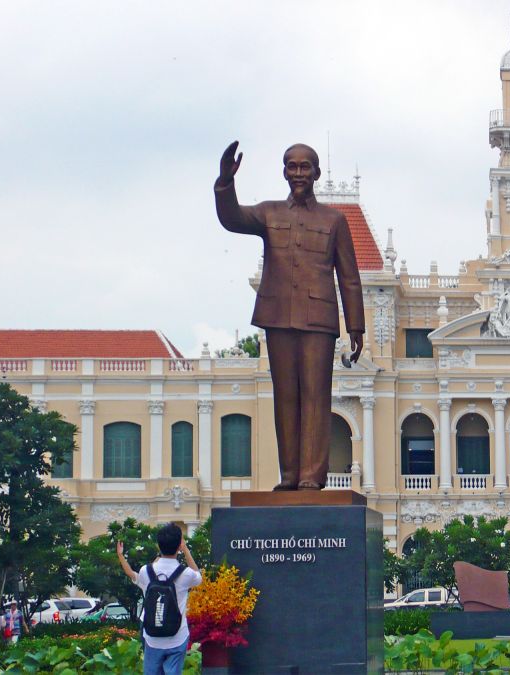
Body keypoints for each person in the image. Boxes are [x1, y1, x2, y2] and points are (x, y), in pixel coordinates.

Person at [214, 141, 365, 491]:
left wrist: (356, 326)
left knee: (315, 395)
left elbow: (349, 277)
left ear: (316, 173)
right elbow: (232, 218)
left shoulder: (334, 220)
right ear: (284, 172)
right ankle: (289, 475)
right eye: (292, 167)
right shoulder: (269, 213)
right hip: (278, 315)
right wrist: (225, 182)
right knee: (285, 397)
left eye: (304, 167)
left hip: (319, 320)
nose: (298, 173)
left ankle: (312, 476)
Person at [117, 524, 202, 675]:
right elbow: (199, 577)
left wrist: (120, 555)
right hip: (177, 636)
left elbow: (132, 575)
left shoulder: (146, 571)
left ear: (158, 545)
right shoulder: (186, 574)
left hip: (152, 637)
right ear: (179, 545)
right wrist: (186, 550)